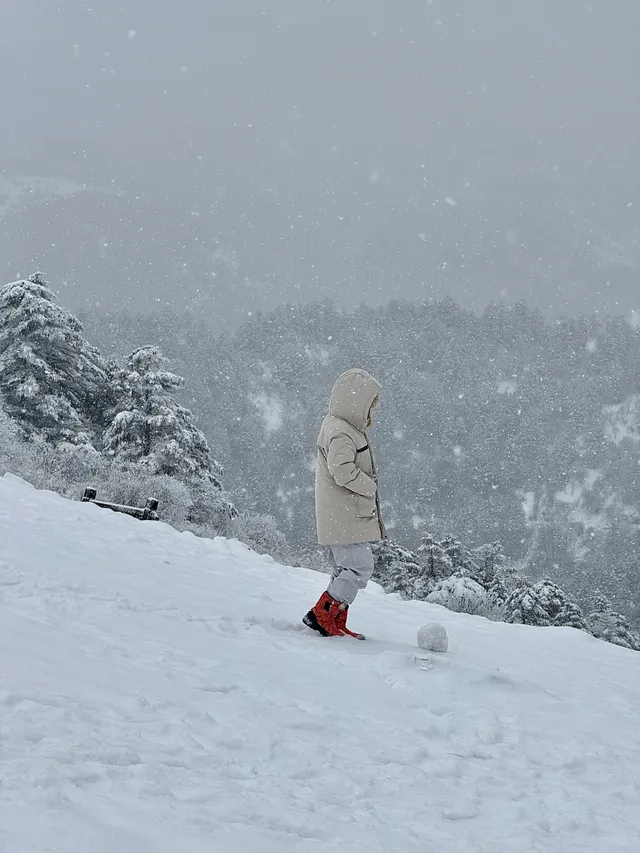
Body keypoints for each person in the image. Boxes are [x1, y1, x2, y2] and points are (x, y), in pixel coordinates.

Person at [303, 368, 385, 638]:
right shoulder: (341, 432)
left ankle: (334, 618)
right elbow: (342, 471)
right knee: (359, 566)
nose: (371, 413)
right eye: (369, 406)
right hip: (344, 515)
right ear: (356, 403)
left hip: (342, 516)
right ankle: (321, 614)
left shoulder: (342, 426)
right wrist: (370, 486)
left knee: (346, 568)